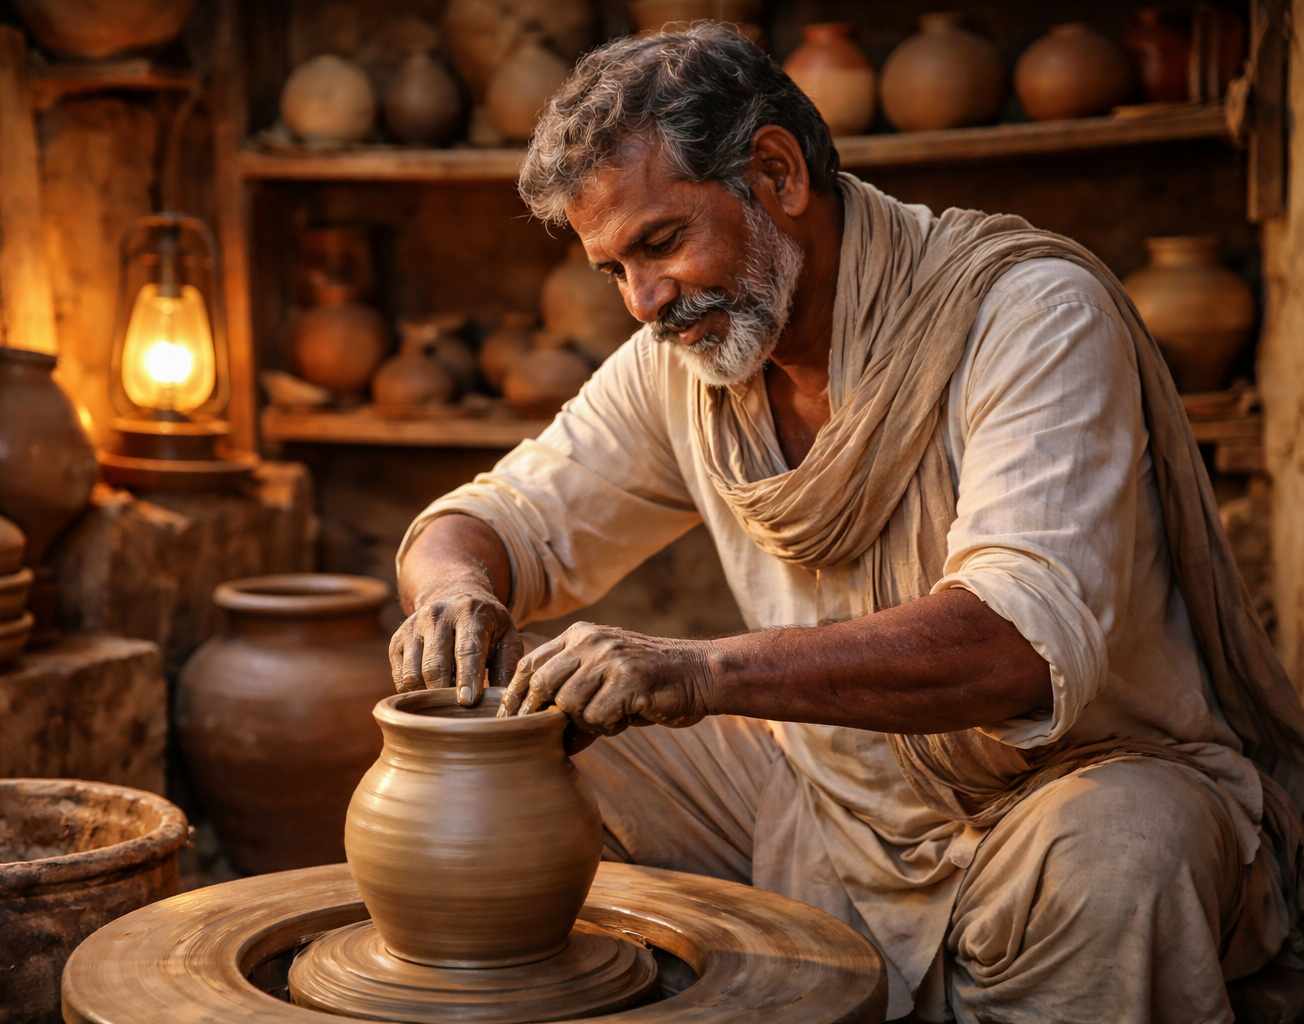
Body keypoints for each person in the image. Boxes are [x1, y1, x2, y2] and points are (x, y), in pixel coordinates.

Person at [389, 25, 1304, 1023]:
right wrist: (454, 592)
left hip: (1062, 788)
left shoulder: (1028, 313)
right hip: (830, 795)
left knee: (1128, 849)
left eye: (660, 242)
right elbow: (494, 519)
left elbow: (1016, 642)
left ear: (776, 172)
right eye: (613, 269)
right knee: (523, 730)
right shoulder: (686, 360)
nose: (644, 302)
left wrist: (703, 671)